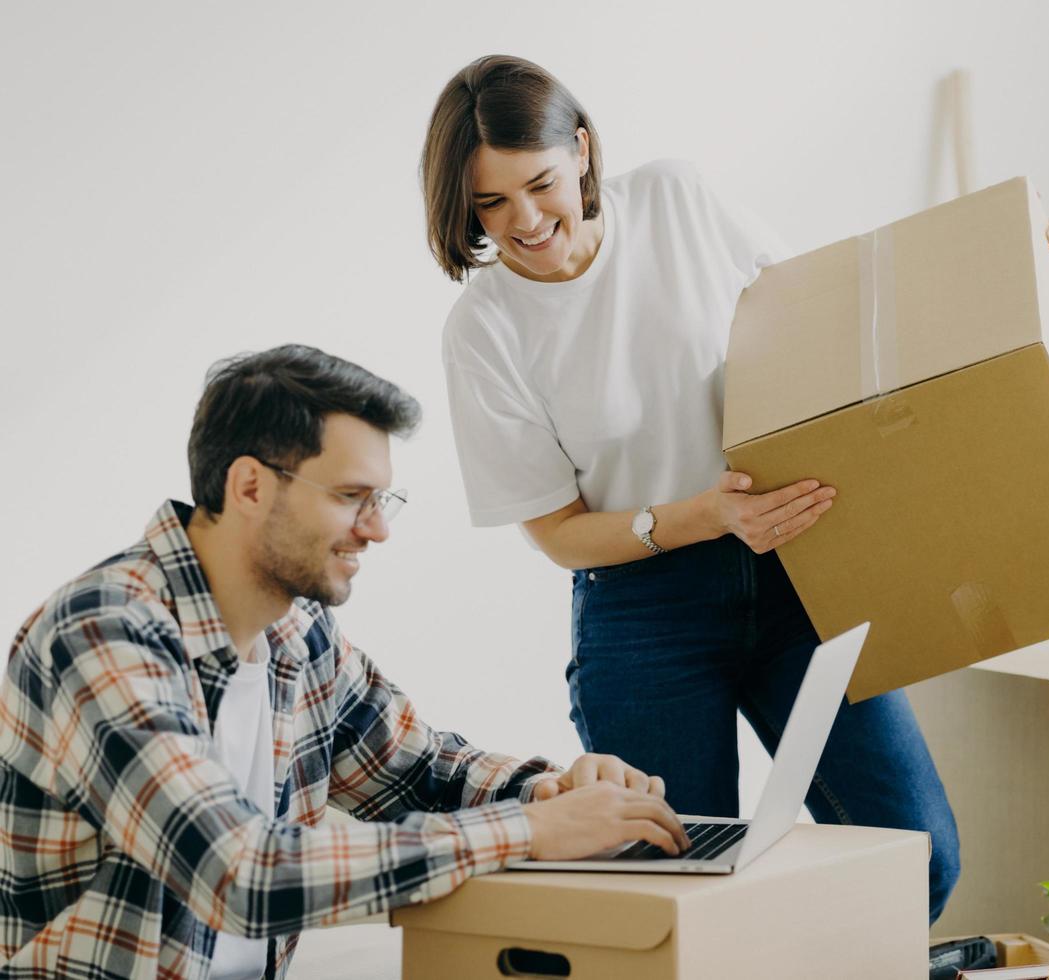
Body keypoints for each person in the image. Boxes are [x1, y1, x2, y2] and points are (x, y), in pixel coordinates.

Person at [422, 54, 1049, 924]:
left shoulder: (675, 202)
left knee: (916, 858)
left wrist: (1018, 264)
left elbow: (832, 311)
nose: (527, 222)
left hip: (798, 575)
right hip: (644, 613)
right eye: (491, 204)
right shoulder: (485, 329)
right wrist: (704, 514)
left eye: (539, 184)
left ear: (580, 150)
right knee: (681, 892)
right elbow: (560, 534)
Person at [0, 344, 689, 979]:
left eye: (381, 500)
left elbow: (418, 769)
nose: (379, 529)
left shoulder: (296, 632)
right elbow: (239, 875)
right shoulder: (106, 632)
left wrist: (554, 791)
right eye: (352, 497)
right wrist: (531, 831)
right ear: (249, 487)